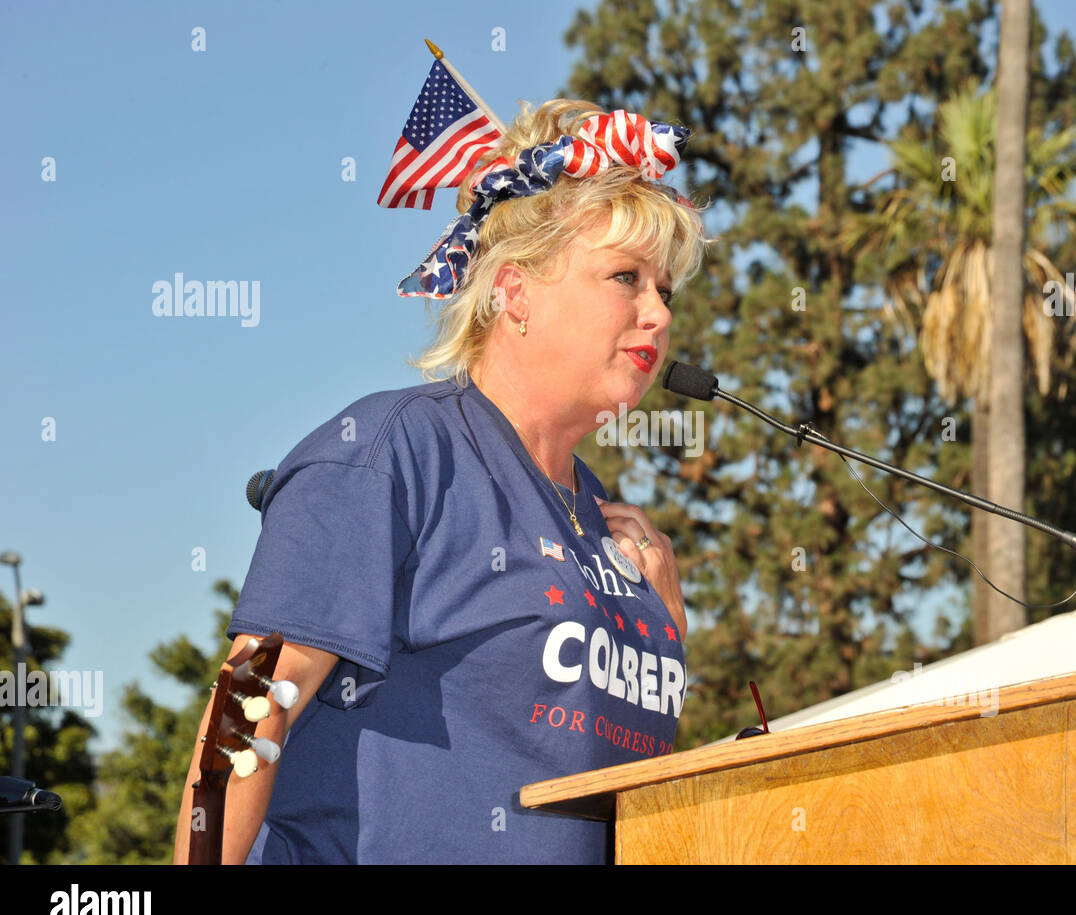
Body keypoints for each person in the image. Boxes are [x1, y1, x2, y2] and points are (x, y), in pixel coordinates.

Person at [172, 99, 709, 864]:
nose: (657, 313)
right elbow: (250, 703)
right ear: (515, 292)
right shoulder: (389, 456)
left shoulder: (620, 533)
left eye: (667, 290)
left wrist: (668, 629)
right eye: (626, 277)